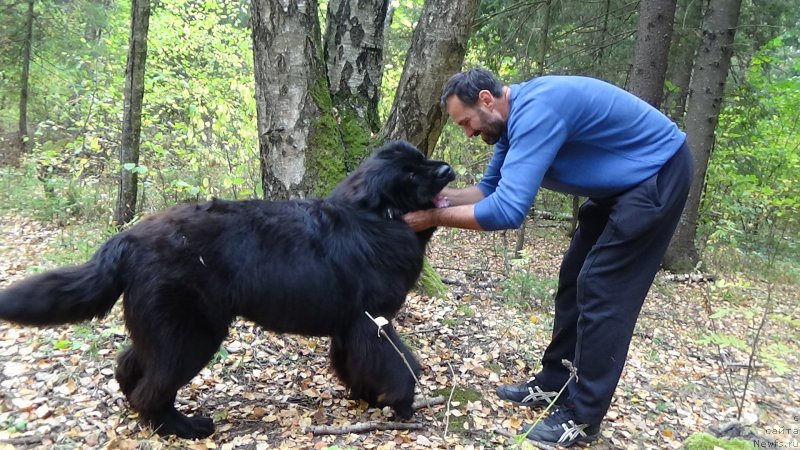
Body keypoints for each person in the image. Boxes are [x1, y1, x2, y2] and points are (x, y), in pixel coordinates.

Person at [404, 68, 693, 447]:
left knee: (603, 289)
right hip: (621, 186)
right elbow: (489, 189)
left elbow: (507, 211)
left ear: (487, 100)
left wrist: (431, 218)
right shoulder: (508, 124)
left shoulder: (538, 111)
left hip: (657, 173)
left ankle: (583, 418)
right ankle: (554, 381)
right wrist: (431, 199)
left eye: (466, 122)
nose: (469, 133)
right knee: (575, 276)